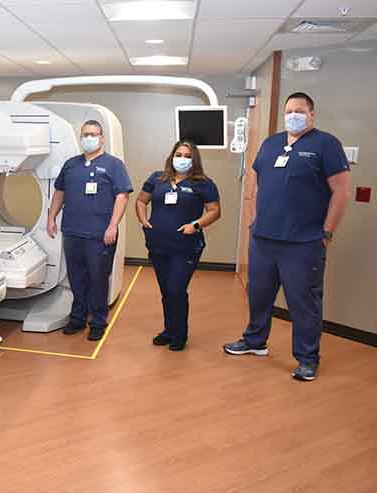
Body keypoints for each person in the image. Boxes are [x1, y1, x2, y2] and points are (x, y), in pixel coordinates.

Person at [224, 92, 352, 381]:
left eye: (299, 110)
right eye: (289, 111)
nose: (293, 115)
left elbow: (342, 191)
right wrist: (254, 222)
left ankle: (307, 358)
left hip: (303, 243)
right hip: (263, 240)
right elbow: (257, 186)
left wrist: (327, 232)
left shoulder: (325, 144)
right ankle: (255, 342)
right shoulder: (271, 144)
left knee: (303, 304)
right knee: (258, 295)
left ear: (311, 114)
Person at [47, 120, 133, 341]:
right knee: (76, 278)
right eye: (85, 134)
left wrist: (112, 226)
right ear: (80, 137)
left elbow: (122, 196)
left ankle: (97, 322)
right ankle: (77, 318)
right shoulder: (71, 165)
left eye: (93, 134)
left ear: (102, 138)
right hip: (73, 231)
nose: (89, 138)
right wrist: (51, 217)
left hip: (100, 234)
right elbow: (59, 192)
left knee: (98, 278)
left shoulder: (114, 165)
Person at [135, 140, 221, 351]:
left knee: (176, 289)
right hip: (158, 244)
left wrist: (196, 225)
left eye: (187, 156)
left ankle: (180, 334)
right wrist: (144, 220)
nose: (182, 159)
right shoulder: (157, 178)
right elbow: (140, 200)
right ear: (171, 156)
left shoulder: (204, 183)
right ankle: (168, 330)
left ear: (194, 160)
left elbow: (214, 211)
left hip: (186, 246)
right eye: (179, 154)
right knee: (166, 290)